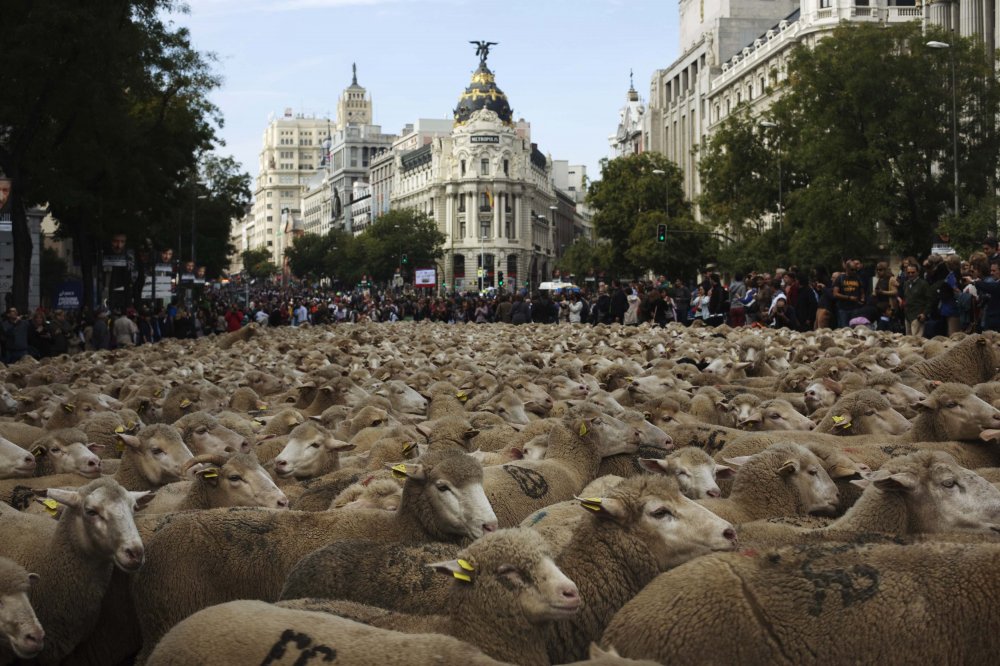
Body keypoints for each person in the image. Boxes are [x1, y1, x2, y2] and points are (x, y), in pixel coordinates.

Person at [902, 262, 933, 337]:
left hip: (918, 316)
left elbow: (930, 300)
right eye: (908, 272)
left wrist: (924, 313)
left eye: (913, 272)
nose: (910, 274)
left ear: (918, 272)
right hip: (907, 316)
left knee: (916, 341)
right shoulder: (906, 283)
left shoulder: (923, 284)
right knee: (908, 340)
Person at [833, 259, 866, 328]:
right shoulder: (840, 278)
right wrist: (849, 297)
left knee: (855, 328)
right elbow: (835, 294)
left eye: (855, 270)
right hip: (843, 308)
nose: (854, 271)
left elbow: (862, 291)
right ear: (847, 269)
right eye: (852, 269)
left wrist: (862, 299)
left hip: (855, 308)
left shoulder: (857, 278)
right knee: (844, 328)